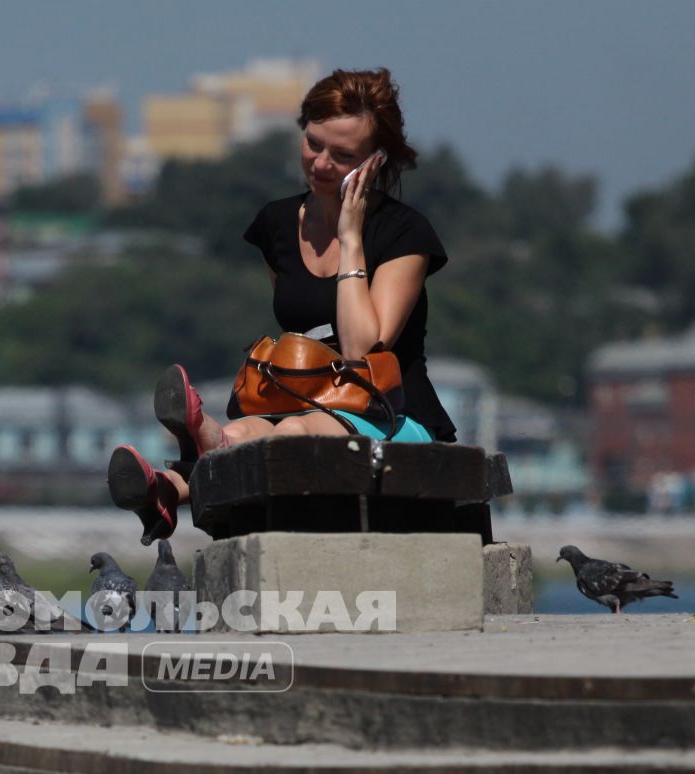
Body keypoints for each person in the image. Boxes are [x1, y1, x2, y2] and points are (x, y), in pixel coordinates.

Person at [110, 67, 456, 542]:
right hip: (299, 404)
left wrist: (350, 237)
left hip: (389, 414)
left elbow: (361, 349)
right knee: (248, 435)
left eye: (343, 155)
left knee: (291, 436)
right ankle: (178, 475)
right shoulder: (276, 224)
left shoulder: (403, 233)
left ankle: (174, 486)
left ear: (374, 162)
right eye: (313, 144)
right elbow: (300, 326)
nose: (320, 164)